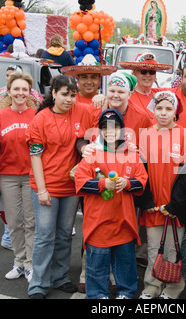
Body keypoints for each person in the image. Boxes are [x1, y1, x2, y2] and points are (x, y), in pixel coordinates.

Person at [74, 109, 148, 299]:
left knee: (125, 261)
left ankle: (126, 292)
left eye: (114, 128)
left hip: (123, 220)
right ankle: (98, 295)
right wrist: (102, 183)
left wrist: (128, 183)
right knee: (97, 262)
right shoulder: (92, 153)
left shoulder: (131, 153)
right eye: (104, 128)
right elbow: (80, 181)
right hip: (98, 221)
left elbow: (142, 180)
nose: (109, 132)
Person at [26, 74, 87, 299]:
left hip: (70, 188)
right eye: (64, 94)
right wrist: (41, 190)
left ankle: (59, 276)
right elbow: (35, 156)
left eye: (73, 95)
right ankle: (39, 284)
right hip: (46, 187)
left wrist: (100, 98)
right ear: (53, 93)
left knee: (64, 235)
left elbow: (100, 116)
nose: (70, 99)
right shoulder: (41, 119)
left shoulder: (80, 111)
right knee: (44, 236)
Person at [60, 53, 117, 293]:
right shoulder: (71, 103)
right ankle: (85, 271)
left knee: (109, 223)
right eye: (84, 77)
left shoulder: (106, 102)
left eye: (94, 77)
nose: (90, 82)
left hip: (108, 173)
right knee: (86, 224)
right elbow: (78, 139)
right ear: (77, 79)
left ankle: (109, 274)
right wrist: (86, 149)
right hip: (78, 174)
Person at [136, 91, 186, 299]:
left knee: (172, 248)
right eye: (159, 108)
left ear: (175, 111)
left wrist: (176, 204)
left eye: (169, 108)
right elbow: (141, 170)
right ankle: (152, 286)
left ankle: (172, 289)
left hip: (173, 205)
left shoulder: (185, 134)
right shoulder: (146, 134)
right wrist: (146, 200)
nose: (164, 112)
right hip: (154, 204)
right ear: (153, 110)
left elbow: (185, 174)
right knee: (153, 247)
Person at [0, 71, 37, 283]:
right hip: (6, 177)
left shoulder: (36, 115)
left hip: (30, 177)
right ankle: (18, 262)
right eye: (16, 89)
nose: (20, 93)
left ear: (29, 92)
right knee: (14, 222)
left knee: (31, 222)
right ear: (8, 91)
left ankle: (30, 264)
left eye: (24, 89)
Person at [118, 50, 173, 119]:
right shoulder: (126, 96)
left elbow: (180, 90)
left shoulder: (160, 94)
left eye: (151, 72)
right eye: (143, 72)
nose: (148, 75)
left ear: (155, 75)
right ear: (135, 73)